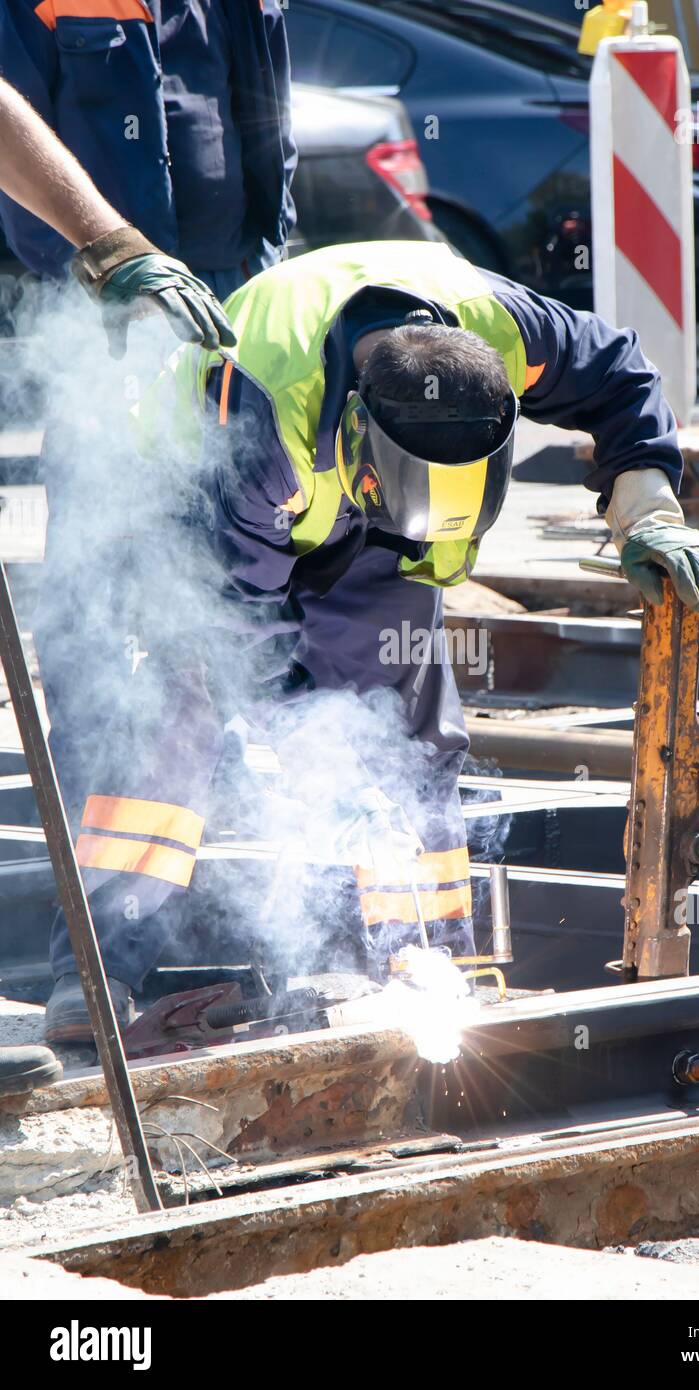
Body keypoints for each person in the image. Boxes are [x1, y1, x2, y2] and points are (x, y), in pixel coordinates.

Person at [44, 239, 699, 1044]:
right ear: (360, 432)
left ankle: (421, 960)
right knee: (175, 723)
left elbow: (619, 374)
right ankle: (97, 971)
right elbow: (238, 635)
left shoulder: (505, 335)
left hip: (359, 513)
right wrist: (310, 750)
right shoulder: (257, 411)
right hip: (189, 507)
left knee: (408, 739)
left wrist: (646, 504)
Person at [0, 74, 236, 1088]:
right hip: (103, 342)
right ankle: (89, 962)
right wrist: (102, 242)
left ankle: (113, 957)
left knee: (192, 672)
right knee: (113, 664)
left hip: (211, 337)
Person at [0, 1, 296, 297]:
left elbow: (273, 119)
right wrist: (97, 272)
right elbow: (13, 148)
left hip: (240, 271)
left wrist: (271, 243)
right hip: (115, 286)